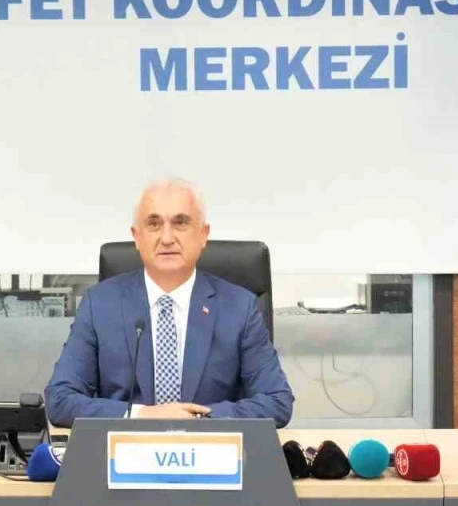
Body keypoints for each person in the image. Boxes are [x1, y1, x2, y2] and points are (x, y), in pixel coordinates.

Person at [45, 178, 293, 426]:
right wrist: (142, 415)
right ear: (137, 237)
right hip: (124, 448)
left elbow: (277, 401)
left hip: (210, 448)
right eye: (154, 224)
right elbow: (60, 399)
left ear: (203, 234)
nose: (166, 238)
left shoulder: (239, 307)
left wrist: (193, 418)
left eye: (180, 223)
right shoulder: (99, 304)